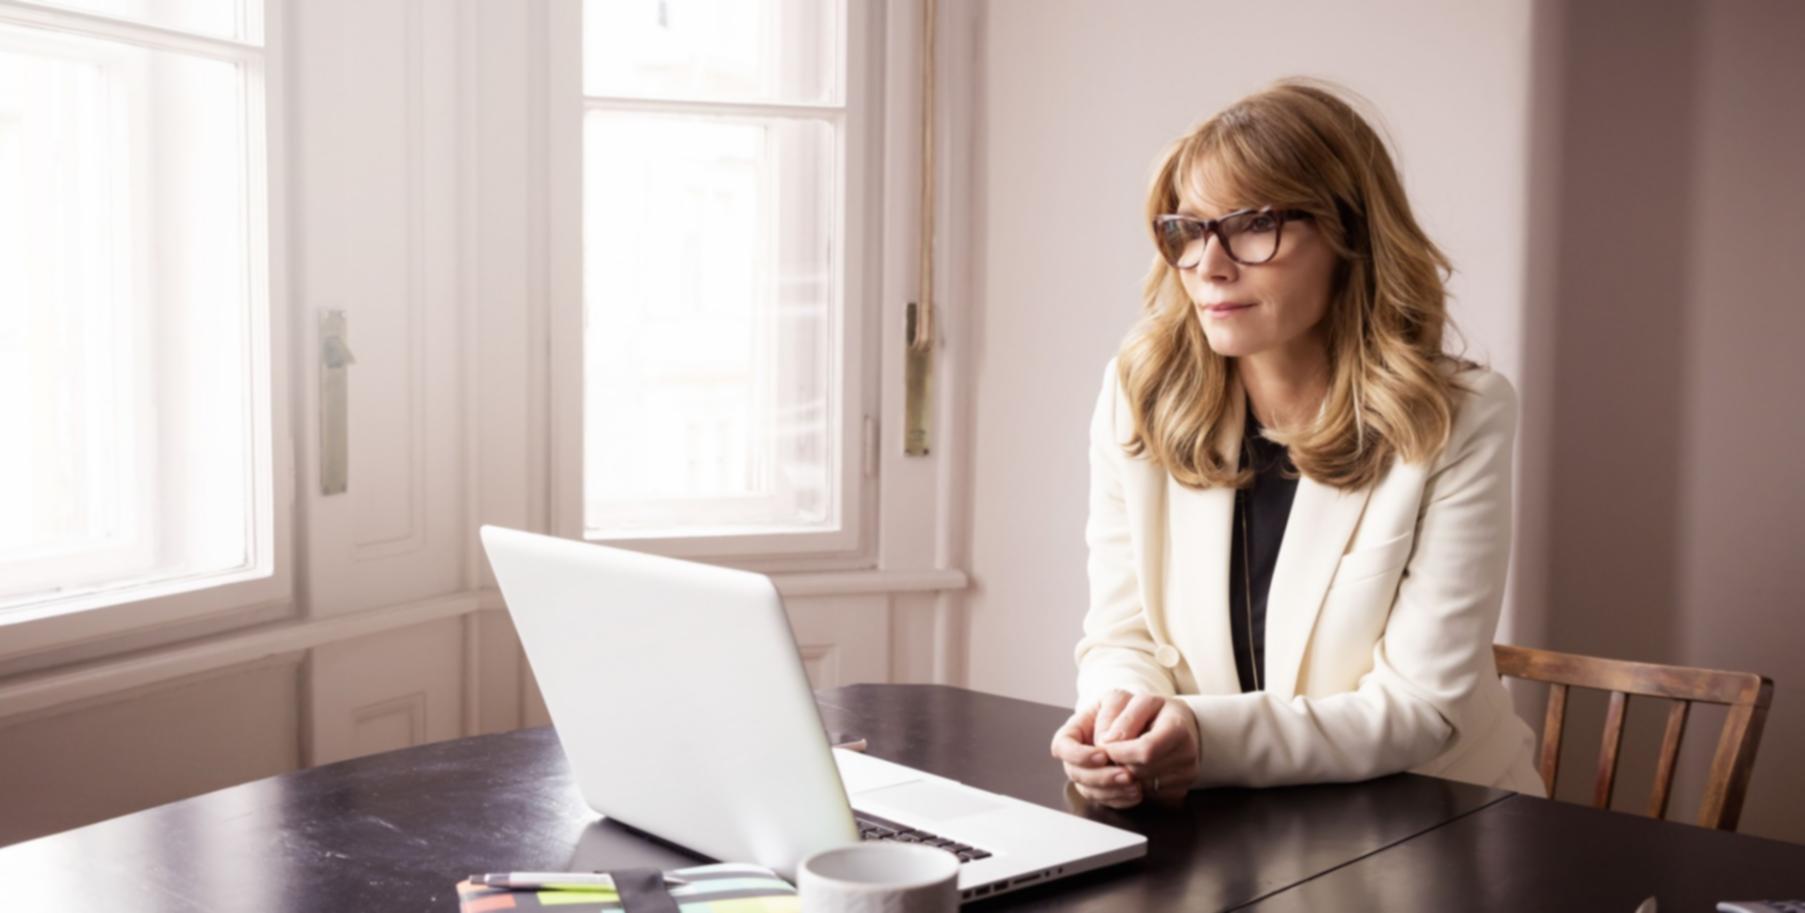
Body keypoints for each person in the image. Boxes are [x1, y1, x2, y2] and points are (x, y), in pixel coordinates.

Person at [1049, 78, 1545, 809]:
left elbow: (1419, 707)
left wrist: (1198, 736)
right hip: (1234, 818)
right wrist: (1116, 723)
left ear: (1351, 236)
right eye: (1189, 230)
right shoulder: (1139, 391)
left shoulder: (1459, 415)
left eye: (1254, 224)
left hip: (1434, 816)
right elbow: (1121, 635)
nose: (1209, 265)